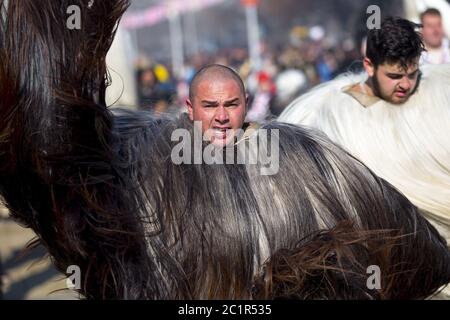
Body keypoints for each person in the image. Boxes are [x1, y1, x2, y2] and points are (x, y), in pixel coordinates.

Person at [1, 1, 450, 300]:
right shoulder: (152, 168)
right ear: (189, 108)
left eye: (231, 106)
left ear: (248, 105)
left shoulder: (297, 157)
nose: (220, 117)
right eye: (210, 107)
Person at [278, 17, 450, 294]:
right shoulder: (334, 119)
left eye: (413, 74)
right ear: (369, 66)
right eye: (394, 76)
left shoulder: (431, 100)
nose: (405, 84)